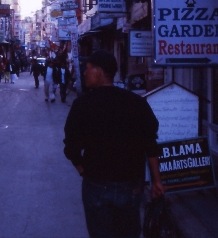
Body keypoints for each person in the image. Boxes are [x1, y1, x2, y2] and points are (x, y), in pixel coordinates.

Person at [63, 49, 164, 238]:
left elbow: (71, 146)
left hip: (96, 185)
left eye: (89, 68)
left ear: (99, 72)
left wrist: (83, 170)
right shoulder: (136, 102)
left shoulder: (83, 105)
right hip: (131, 186)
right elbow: (150, 143)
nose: (84, 72)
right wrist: (157, 181)